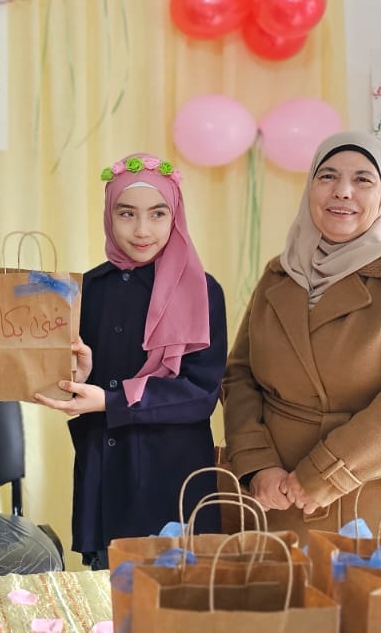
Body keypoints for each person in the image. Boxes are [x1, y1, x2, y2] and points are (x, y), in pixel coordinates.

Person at [222, 132, 381, 538]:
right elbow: (241, 374)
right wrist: (256, 463)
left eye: (362, 179)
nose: (343, 191)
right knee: (286, 580)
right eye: (328, 176)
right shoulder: (281, 272)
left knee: (376, 581)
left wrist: (323, 474)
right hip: (281, 491)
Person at [32, 153, 227, 570]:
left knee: (181, 594)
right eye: (126, 213)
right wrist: (75, 376)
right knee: (107, 594)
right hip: (107, 474)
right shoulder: (87, 289)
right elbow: (78, 385)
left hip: (173, 477)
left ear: (175, 216)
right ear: (109, 215)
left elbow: (201, 394)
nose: (142, 230)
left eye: (158, 214)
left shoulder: (202, 291)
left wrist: (110, 400)